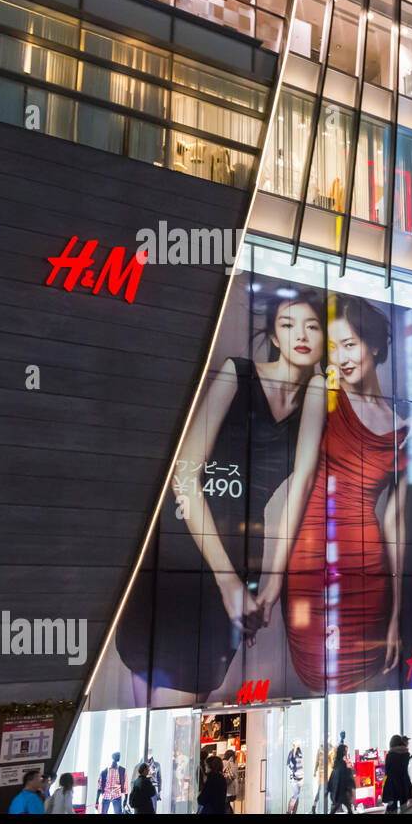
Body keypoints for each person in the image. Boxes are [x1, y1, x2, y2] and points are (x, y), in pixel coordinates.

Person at [118, 291, 327, 704]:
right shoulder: (238, 372)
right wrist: (228, 580)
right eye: (288, 325)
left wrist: (271, 584)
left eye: (313, 326)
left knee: (197, 687)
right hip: (187, 534)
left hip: (241, 544)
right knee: (157, 679)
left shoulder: (316, 391)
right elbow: (184, 475)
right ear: (273, 335)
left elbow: (299, 486)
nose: (300, 335)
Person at [276, 296, 409, 694]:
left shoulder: (404, 431)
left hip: (370, 576)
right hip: (310, 565)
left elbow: (394, 524)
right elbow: (300, 481)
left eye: (349, 344)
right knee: (319, 676)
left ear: (374, 345)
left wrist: (396, 614)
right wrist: (270, 581)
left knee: (361, 681)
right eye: (333, 348)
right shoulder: (325, 391)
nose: (341, 358)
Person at [381, 734, 412, 813]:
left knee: (392, 806)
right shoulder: (406, 754)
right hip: (404, 781)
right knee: (404, 805)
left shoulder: (390, 755)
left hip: (392, 782)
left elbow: (387, 770)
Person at [327, 744, 356, 813]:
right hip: (341, 790)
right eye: (345, 751)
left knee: (344, 806)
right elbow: (342, 776)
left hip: (339, 790)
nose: (346, 753)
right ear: (343, 752)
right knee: (345, 806)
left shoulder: (337, 762)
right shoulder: (341, 763)